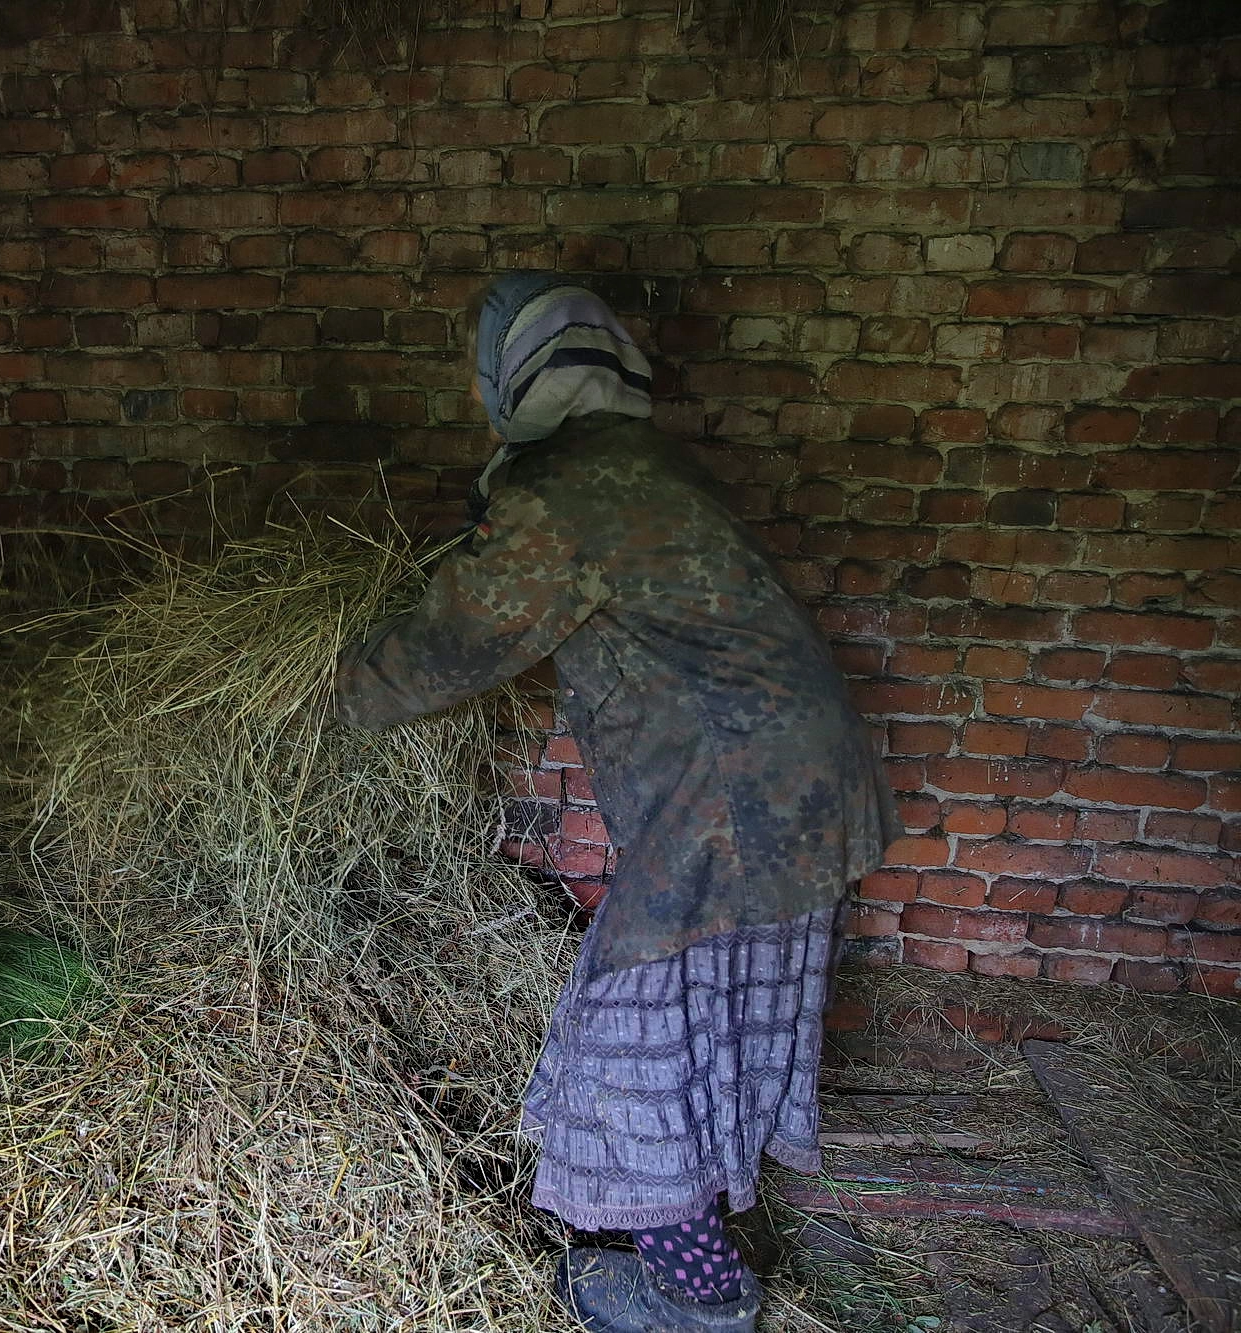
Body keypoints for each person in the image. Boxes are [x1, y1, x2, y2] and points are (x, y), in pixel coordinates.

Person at [333, 272, 901, 1332]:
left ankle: (696, 1294)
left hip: (730, 802)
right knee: (710, 1021)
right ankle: (703, 1249)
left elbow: (447, 647)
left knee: (628, 1036)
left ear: (508, 376)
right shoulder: (641, 465)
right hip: (799, 784)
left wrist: (321, 690)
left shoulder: (563, 492)